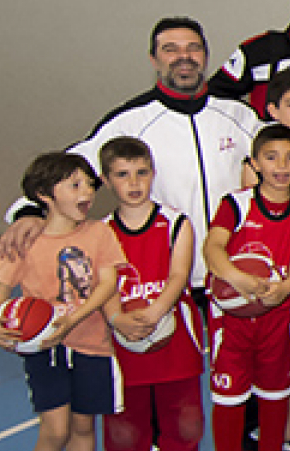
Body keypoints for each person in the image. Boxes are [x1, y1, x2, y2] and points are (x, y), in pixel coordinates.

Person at [0, 18, 262, 292]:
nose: (183, 56)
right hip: (162, 282)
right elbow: (69, 171)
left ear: (206, 56)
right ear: (153, 60)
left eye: (193, 48)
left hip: (234, 275)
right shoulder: (129, 122)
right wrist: (29, 212)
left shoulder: (240, 115)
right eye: (170, 49)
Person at [0, 152, 127, 451]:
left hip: (91, 344)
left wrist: (73, 319)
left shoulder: (100, 232)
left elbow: (108, 284)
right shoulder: (23, 242)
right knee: (56, 431)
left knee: (84, 428)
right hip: (45, 348)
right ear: (44, 194)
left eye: (89, 185)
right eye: (75, 185)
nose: (87, 192)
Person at [204, 126, 290, 451]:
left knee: (275, 394)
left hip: (279, 316)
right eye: (271, 157)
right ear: (254, 163)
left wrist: (288, 286)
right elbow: (213, 247)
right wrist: (234, 277)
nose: (281, 166)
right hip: (232, 321)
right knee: (229, 397)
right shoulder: (236, 203)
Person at [97, 138, 205, 451]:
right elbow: (105, 285)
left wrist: (155, 313)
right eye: (122, 174)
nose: (134, 183)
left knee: (185, 427)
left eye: (141, 173)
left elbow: (178, 276)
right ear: (106, 181)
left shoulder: (176, 223)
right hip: (124, 342)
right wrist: (117, 319)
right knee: (125, 434)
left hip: (175, 342)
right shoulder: (102, 232)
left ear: (153, 174)